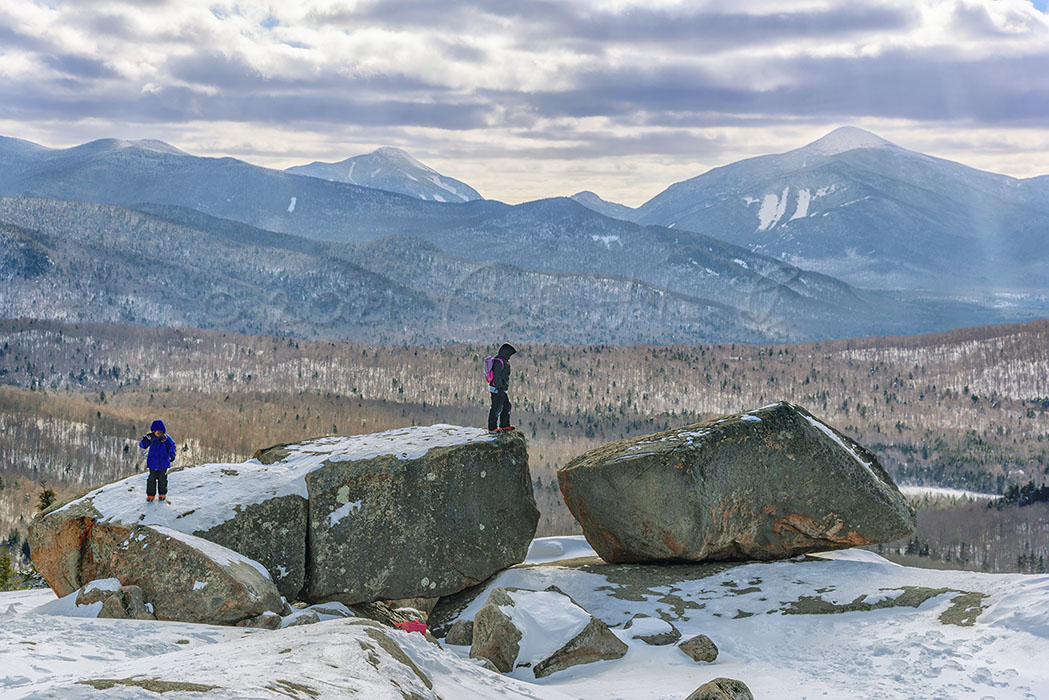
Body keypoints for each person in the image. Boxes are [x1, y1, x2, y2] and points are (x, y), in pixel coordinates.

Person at [139, 419, 176, 502]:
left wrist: (172, 454)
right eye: (156, 432)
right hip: (153, 463)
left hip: (163, 463)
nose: (158, 433)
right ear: (153, 431)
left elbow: (172, 446)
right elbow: (142, 446)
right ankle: (150, 495)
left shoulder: (166, 438)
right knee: (151, 479)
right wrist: (145, 440)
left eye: (160, 432)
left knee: (162, 479)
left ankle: (162, 493)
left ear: (163, 431)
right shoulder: (150, 438)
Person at [487, 343, 517, 433]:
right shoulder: (499, 361)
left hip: (502, 389)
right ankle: (492, 428)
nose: (510, 357)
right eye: (510, 354)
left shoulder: (503, 361)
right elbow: (497, 376)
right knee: (496, 408)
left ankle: (504, 425)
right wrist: (499, 388)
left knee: (506, 407)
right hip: (497, 389)